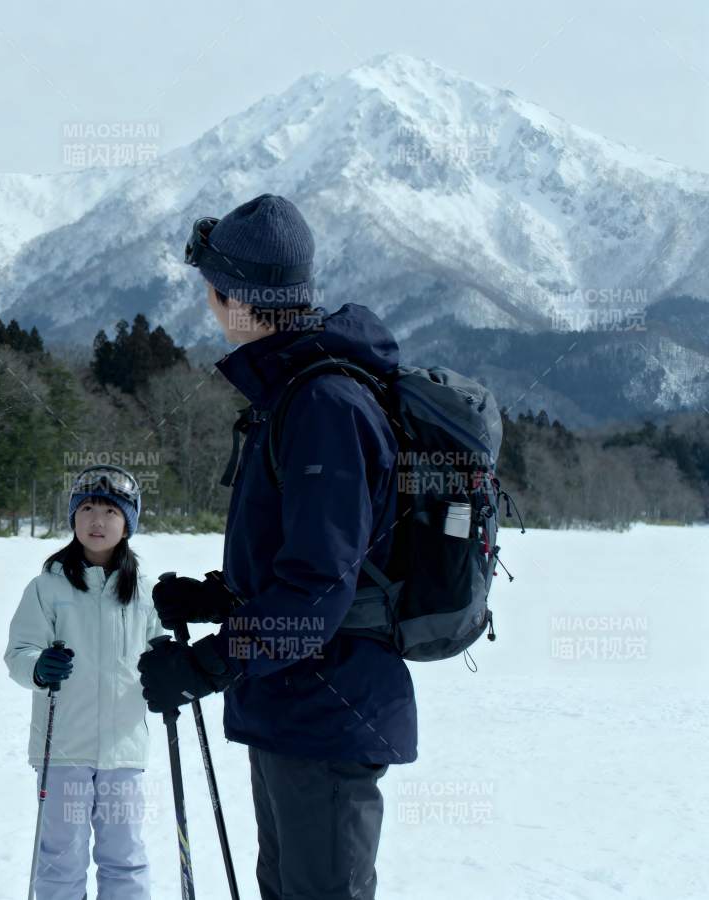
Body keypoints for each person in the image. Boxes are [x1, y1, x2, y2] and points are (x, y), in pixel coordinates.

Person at [137, 194, 411, 900]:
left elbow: (319, 590)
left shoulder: (324, 406)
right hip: (294, 707)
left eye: (212, 290)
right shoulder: (293, 394)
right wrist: (215, 597)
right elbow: (301, 562)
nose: (207, 304)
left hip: (326, 709)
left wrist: (210, 662)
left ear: (239, 299)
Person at [5, 465, 161, 900]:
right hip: (63, 748)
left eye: (111, 511)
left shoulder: (145, 592)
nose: (97, 520)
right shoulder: (47, 587)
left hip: (124, 750)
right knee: (60, 857)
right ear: (72, 518)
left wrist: (172, 671)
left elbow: (161, 652)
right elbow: (19, 654)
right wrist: (39, 668)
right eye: (87, 508)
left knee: (125, 856)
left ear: (127, 522)